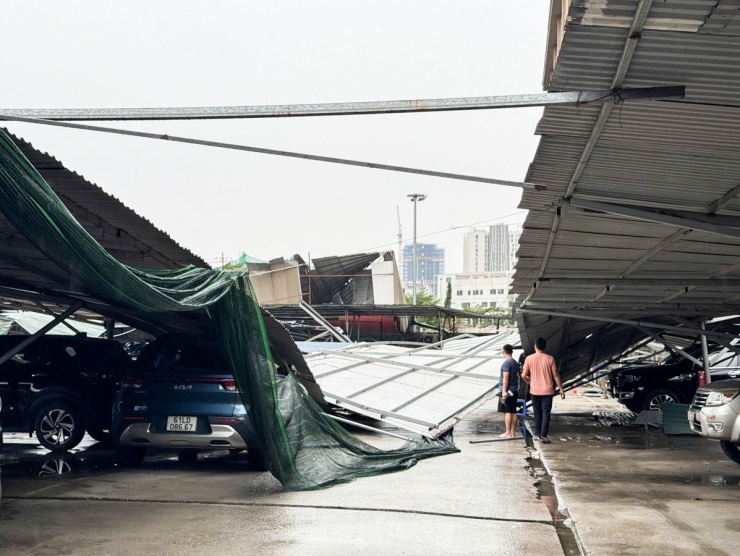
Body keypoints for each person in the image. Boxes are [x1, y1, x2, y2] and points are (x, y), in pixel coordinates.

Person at [520, 337, 565, 444]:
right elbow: (555, 375)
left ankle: (539, 434)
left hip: (535, 390)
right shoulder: (550, 359)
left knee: (537, 413)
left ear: (535, 346)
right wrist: (561, 389)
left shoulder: (529, 359)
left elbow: (523, 375)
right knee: (546, 413)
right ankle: (543, 436)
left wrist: (528, 380)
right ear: (545, 347)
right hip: (548, 391)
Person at [498, 344, 520, 438]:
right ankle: (512, 433)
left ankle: (507, 432)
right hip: (514, 390)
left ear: (504, 352)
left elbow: (505, 378)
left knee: (507, 411)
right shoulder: (515, 362)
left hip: (508, 391)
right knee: (513, 411)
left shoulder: (506, 363)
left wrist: (504, 391)